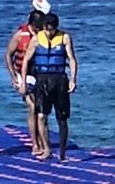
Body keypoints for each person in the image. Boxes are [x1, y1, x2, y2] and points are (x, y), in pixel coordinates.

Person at [20, 12, 78, 161]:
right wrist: (23, 82)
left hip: (59, 80)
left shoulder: (65, 38)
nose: (49, 33)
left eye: (51, 30)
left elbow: (71, 59)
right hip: (42, 80)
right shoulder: (36, 39)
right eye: (46, 30)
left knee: (62, 118)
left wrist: (73, 79)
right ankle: (46, 149)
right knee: (41, 116)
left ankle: (63, 152)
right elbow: (26, 61)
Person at [4, 9, 45, 155]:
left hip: (40, 74)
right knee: (32, 106)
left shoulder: (44, 35)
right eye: (37, 26)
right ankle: (35, 144)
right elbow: (8, 55)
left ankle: (42, 141)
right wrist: (13, 76)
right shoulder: (20, 35)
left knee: (41, 110)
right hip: (23, 75)